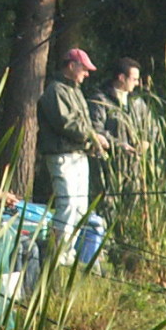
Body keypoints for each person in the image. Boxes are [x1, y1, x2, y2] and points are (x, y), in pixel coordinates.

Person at [32, 47, 109, 254]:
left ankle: (69, 252)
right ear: (72, 65)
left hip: (78, 155)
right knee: (66, 205)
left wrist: (92, 142)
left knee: (80, 208)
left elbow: (80, 123)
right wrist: (93, 136)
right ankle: (57, 252)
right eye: (84, 69)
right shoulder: (55, 90)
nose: (87, 73)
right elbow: (65, 123)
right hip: (61, 156)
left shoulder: (74, 90)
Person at [87, 57, 154, 198]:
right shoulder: (100, 100)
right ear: (122, 77)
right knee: (108, 203)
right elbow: (95, 129)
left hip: (134, 166)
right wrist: (118, 145)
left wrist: (147, 141)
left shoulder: (137, 102)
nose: (137, 83)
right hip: (109, 165)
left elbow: (151, 126)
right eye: (134, 79)